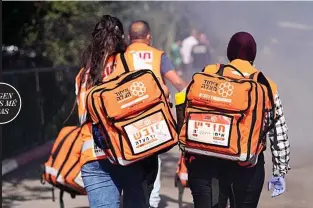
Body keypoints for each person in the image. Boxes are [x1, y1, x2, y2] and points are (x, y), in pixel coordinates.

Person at [186, 31, 291, 208]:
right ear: (253, 54)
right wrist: (280, 170)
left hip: (207, 160)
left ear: (229, 52)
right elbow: (278, 133)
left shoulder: (209, 73)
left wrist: (184, 158)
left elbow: (189, 112)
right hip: (247, 164)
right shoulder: (266, 84)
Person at [75, 15, 158, 208]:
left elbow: (81, 117)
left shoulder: (83, 74)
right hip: (131, 151)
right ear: (123, 38)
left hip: (94, 155)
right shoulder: (130, 63)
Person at [127, 20, 187, 208]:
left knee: (130, 159)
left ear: (129, 38)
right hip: (154, 117)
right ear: (148, 37)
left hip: (127, 118)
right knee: (154, 159)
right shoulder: (157, 55)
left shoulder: (121, 57)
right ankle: (151, 203)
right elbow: (178, 83)